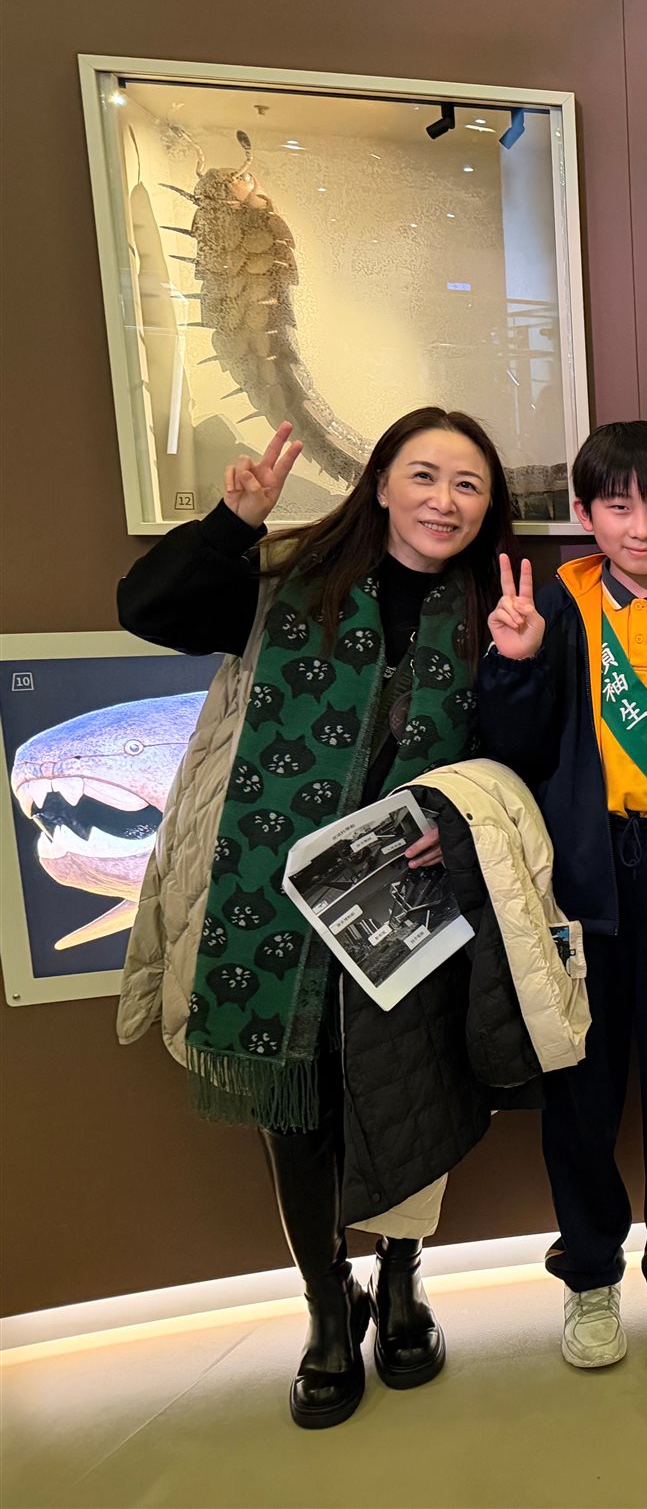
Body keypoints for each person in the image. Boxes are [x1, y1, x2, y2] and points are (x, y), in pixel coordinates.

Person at [116, 411, 514, 1427]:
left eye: (467, 484)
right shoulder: (284, 575)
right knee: (297, 1110)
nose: (443, 501)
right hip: (268, 893)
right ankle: (328, 1307)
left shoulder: (495, 605)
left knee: (408, 1089)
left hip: (408, 899)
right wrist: (231, 525)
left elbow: (521, 752)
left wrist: (458, 823)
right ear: (379, 482)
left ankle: (403, 1278)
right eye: (423, 475)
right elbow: (147, 609)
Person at [476, 421, 647, 1373]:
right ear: (584, 512)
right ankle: (589, 1276)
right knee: (579, 1099)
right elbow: (511, 753)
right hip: (579, 881)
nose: (640, 527)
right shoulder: (553, 605)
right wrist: (515, 664)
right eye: (618, 506)